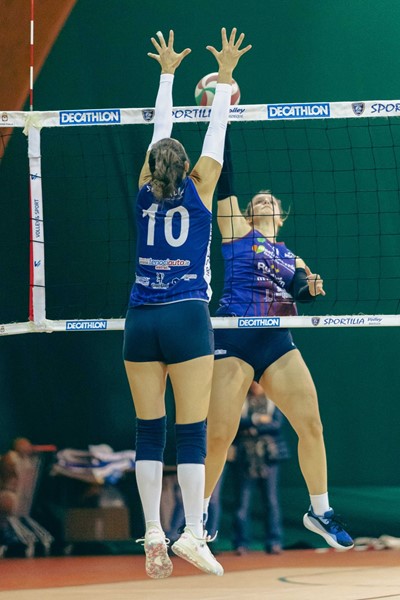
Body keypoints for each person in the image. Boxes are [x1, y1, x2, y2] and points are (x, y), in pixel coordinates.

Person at [123, 29, 251, 579]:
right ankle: (194, 534)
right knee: (192, 431)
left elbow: (161, 132)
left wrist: (167, 75)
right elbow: (216, 134)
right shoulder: (201, 190)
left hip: (140, 319)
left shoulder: (141, 191)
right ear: (189, 169)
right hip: (186, 316)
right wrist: (225, 79)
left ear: (151, 168)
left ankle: (153, 531)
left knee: (148, 431)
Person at [203, 125, 354, 551]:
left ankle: (319, 511)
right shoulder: (237, 230)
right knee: (220, 434)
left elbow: (301, 290)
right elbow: (225, 179)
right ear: (248, 213)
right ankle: (198, 515)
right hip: (234, 336)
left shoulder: (291, 255)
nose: (264, 199)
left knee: (312, 424)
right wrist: (220, 118)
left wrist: (312, 288)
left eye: (270, 200)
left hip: (276, 342)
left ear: (281, 215)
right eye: (257, 200)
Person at [231, 381, 290, 555]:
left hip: (269, 456)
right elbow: (235, 423)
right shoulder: (239, 401)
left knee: (271, 500)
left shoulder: (274, 401)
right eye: (253, 382)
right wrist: (256, 420)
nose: (256, 385)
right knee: (242, 501)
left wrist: (252, 428)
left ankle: (274, 541)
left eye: (259, 382)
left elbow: (276, 424)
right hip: (244, 457)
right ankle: (241, 543)